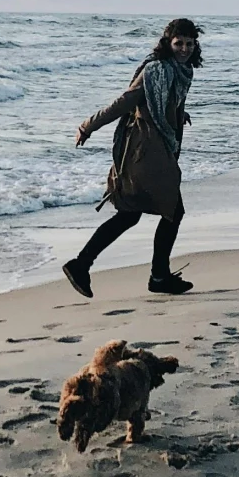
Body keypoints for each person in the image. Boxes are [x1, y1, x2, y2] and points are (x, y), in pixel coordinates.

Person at [62, 19, 201, 298]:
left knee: (131, 215)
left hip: (157, 149)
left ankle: (82, 264)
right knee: (172, 211)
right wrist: (88, 125)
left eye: (189, 43)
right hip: (145, 153)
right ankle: (158, 276)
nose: (184, 49)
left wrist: (176, 113)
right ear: (167, 43)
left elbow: (167, 101)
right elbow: (124, 102)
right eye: (178, 43)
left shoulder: (182, 70)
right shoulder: (155, 70)